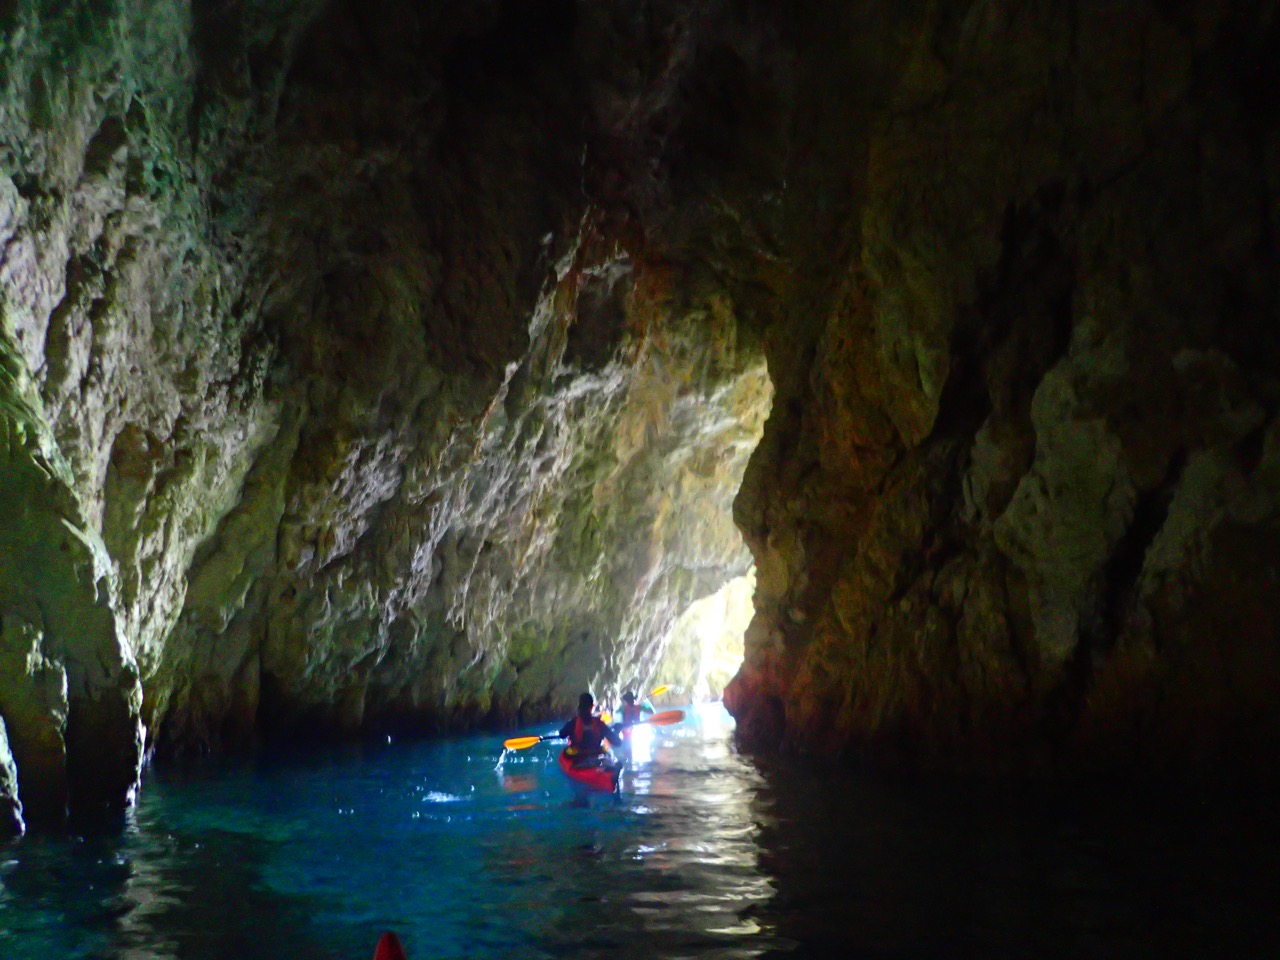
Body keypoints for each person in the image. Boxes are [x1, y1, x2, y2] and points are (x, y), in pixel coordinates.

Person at [558, 692, 622, 765]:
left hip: (579, 756)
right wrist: (616, 732)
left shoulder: (573, 722)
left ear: (579, 707)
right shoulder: (599, 723)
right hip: (596, 754)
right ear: (592, 707)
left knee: (566, 752)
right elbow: (618, 743)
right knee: (605, 750)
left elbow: (562, 735)